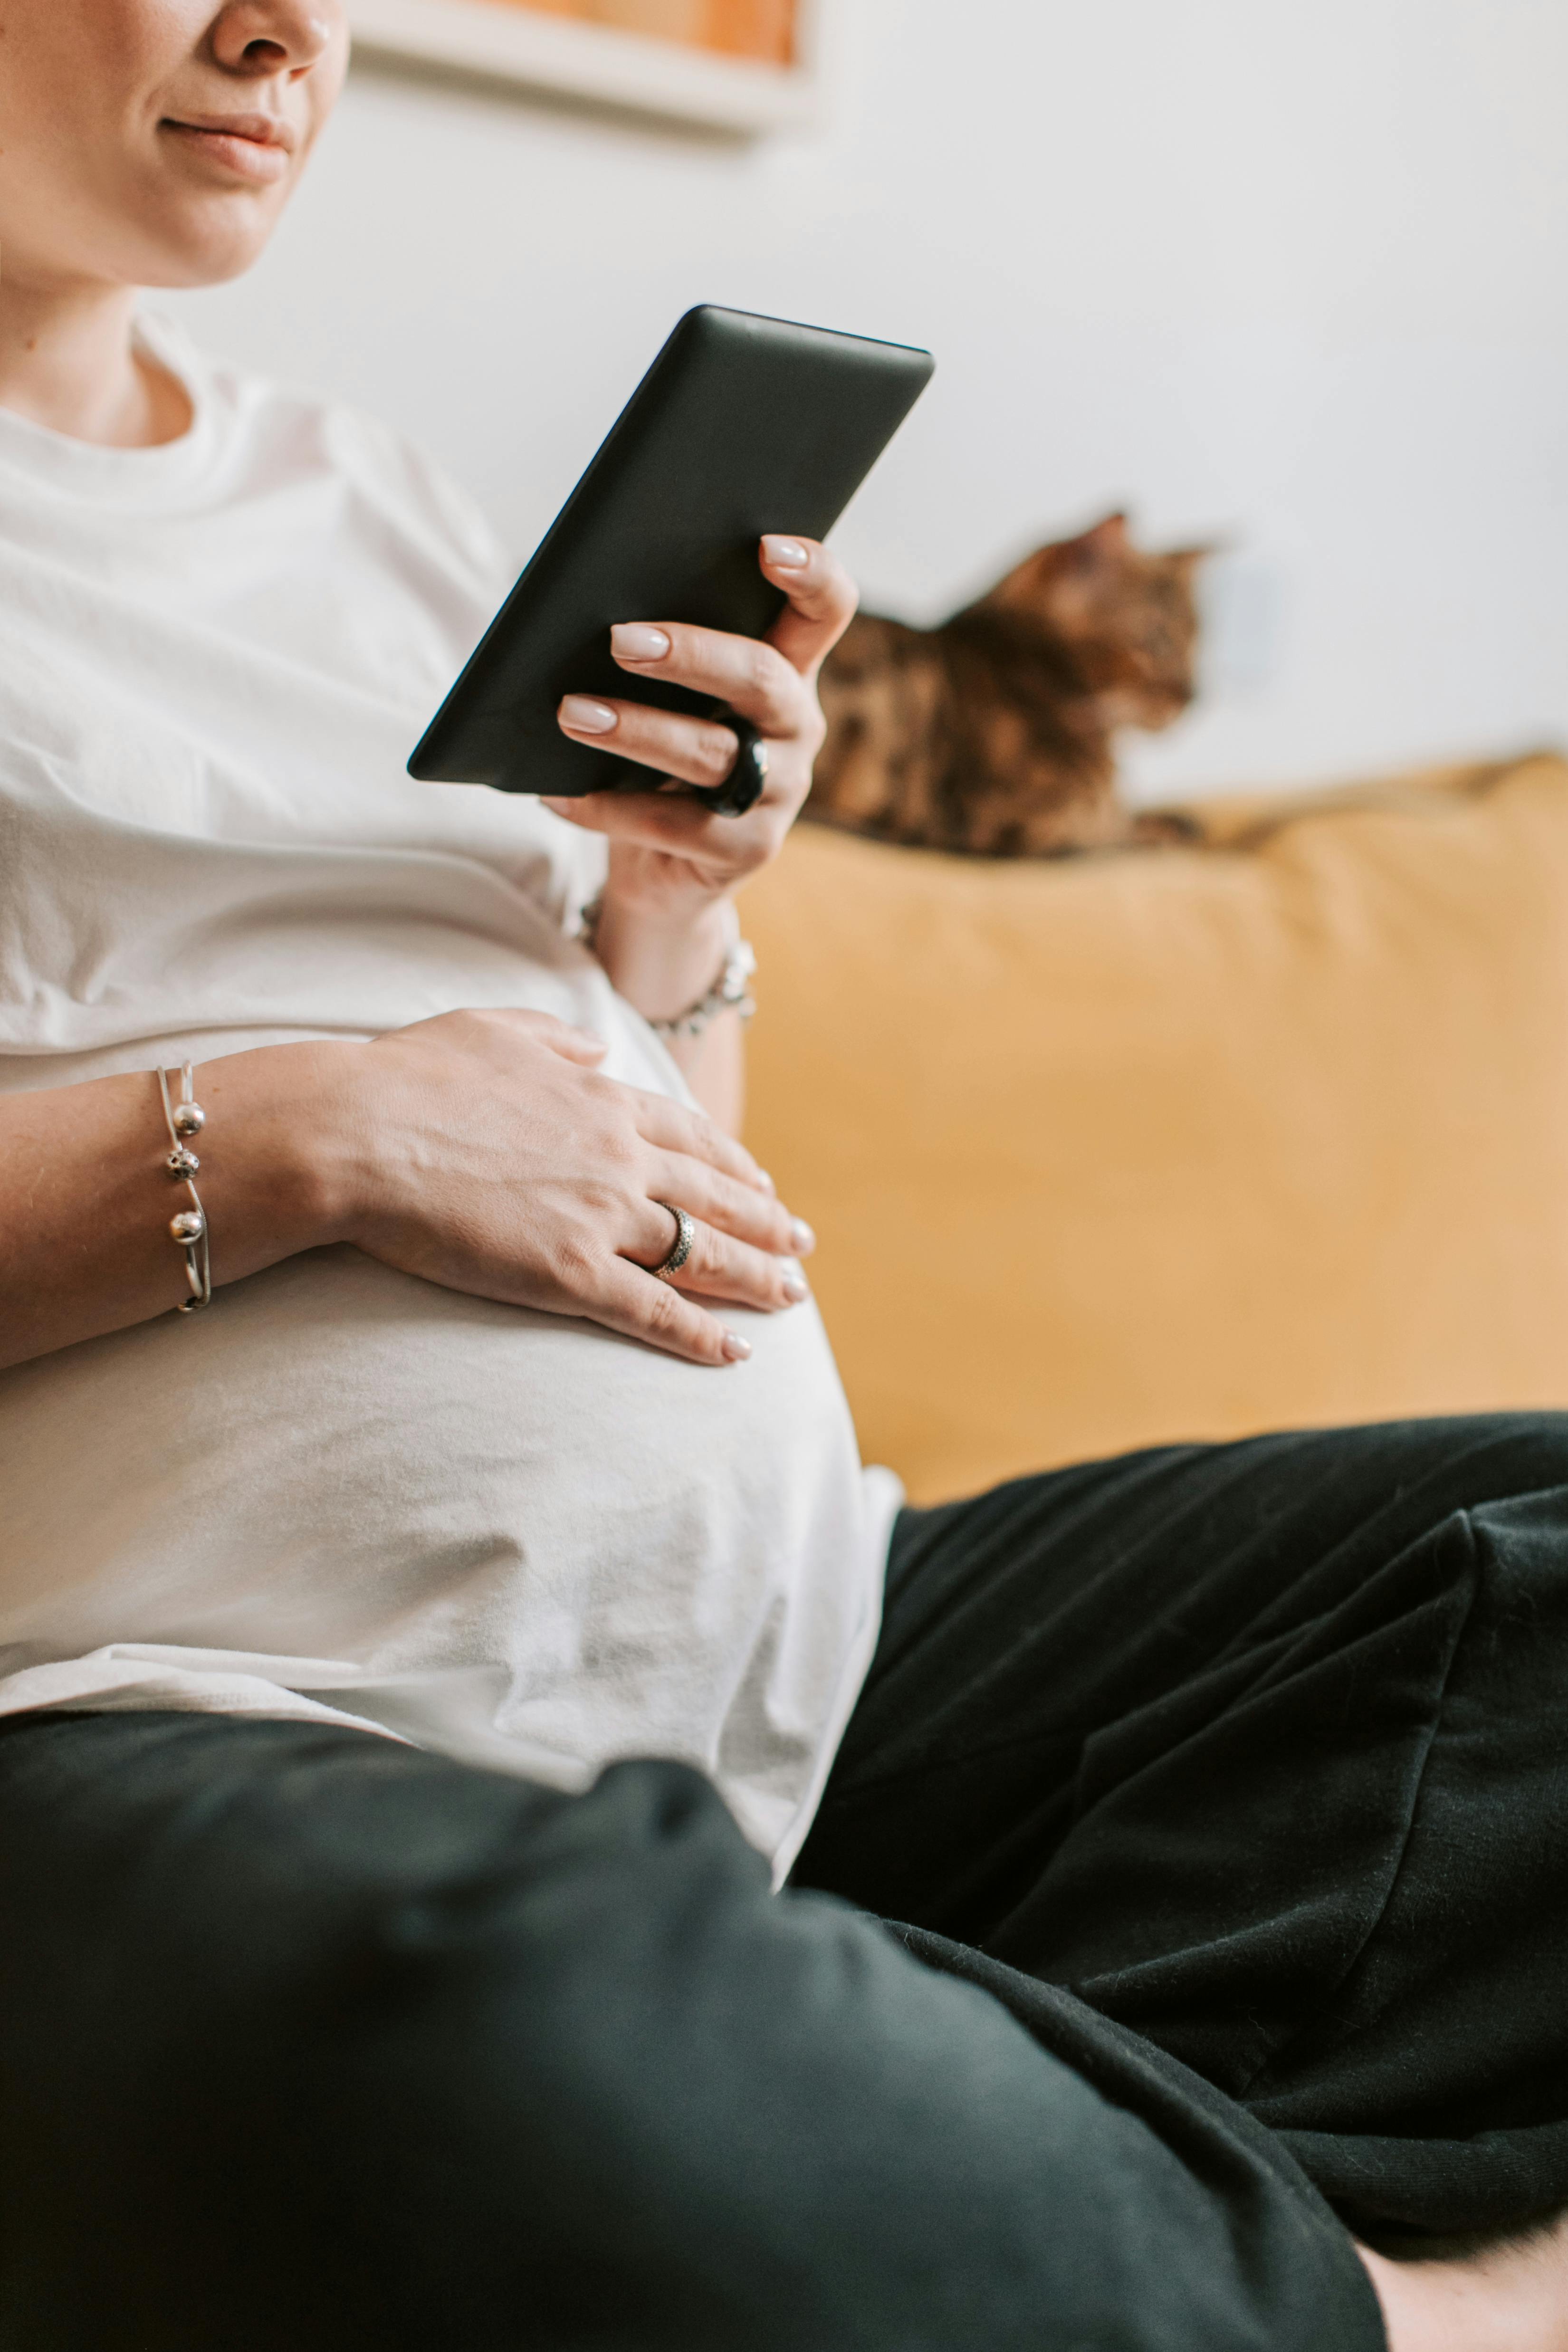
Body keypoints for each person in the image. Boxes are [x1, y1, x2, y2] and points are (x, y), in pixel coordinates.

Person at [0, 6, 1565, 2347]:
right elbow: (395, 1145)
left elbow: (669, 1189)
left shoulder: (379, 507)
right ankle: (1368, 2298)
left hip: (816, 1644)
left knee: (1534, 1562)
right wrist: (314, 1128)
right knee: (444, 2029)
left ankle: (915, 2135)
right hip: (191, 1716)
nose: (282, 30)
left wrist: (672, 906)